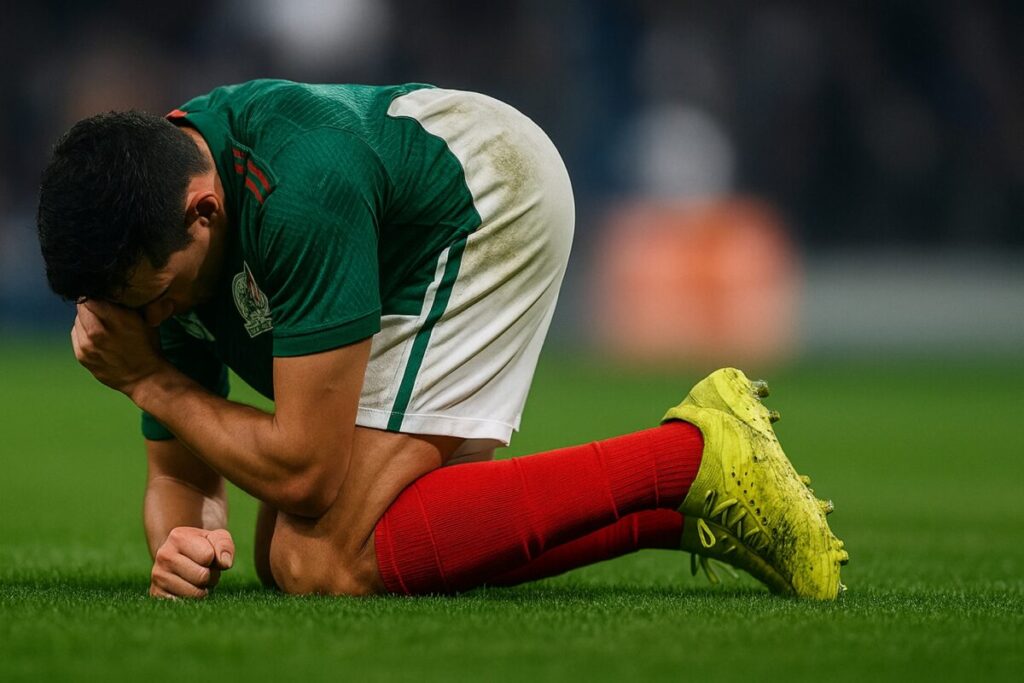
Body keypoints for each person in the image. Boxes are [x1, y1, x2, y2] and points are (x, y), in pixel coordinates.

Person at [37, 79, 847, 600]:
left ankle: (692, 458)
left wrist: (154, 383)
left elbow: (306, 470)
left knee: (328, 559)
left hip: (487, 203)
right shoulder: (151, 240)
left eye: (165, 296)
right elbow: (181, 471)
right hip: (398, 230)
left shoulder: (293, 193)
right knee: (285, 555)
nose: (157, 322)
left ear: (204, 213)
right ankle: (686, 509)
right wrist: (189, 541)